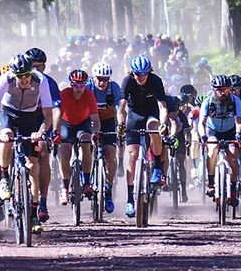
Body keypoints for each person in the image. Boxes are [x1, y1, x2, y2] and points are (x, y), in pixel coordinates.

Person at [0, 54, 59, 226]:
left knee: (32, 166)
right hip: (8, 113)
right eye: (20, 76)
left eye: (27, 75)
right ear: (13, 75)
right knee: (6, 138)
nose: (24, 79)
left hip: (30, 116)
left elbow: (48, 115)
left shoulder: (40, 80)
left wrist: (41, 131)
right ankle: (4, 177)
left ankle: (33, 213)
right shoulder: (5, 80)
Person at [117, 54, 169, 218]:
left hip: (151, 115)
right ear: (133, 73)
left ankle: (158, 169)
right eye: (137, 74)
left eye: (144, 74)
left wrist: (163, 123)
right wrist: (121, 124)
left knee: (153, 128)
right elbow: (122, 107)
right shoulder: (128, 81)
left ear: (149, 73)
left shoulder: (156, 81)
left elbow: (162, 106)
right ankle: (130, 200)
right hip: (134, 116)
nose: (141, 77)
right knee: (132, 156)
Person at [24, 47, 60, 222]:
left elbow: (56, 110)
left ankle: (43, 201)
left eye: (39, 66)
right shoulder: (20, 80)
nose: (35, 70)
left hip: (42, 120)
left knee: (43, 152)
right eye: (32, 66)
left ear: (44, 67)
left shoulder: (49, 83)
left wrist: (54, 130)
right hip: (24, 119)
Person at [57, 69, 101, 204]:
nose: (79, 89)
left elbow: (95, 119)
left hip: (83, 123)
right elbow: (57, 115)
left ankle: (86, 183)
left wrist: (95, 133)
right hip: (67, 123)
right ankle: (64, 187)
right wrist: (56, 131)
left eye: (82, 85)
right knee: (64, 150)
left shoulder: (89, 96)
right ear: (71, 85)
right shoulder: (64, 94)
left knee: (86, 143)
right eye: (76, 85)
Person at [199, 75, 241, 206]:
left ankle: (234, 187)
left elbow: (239, 120)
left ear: (229, 89)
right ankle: (211, 182)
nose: (222, 92)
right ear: (213, 90)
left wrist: (239, 133)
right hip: (213, 131)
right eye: (218, 90)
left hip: (230, 131)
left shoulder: (235, 101)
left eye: (224, 89)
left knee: (233, 156)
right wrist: (202, 136)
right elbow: (201, 122)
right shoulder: (207, 101)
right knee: (212, 151)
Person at [89, 61, 123, 214]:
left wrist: (121, 125)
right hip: (89, 121)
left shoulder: (114, 88)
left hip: (109, 122)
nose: (102, 82)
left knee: (110, 153)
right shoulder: (89, 87)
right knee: (86, 150)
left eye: (105, 79)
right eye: (99, 79)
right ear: (93, 78)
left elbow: (119, 109)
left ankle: (108, 188)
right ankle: (85, 179)